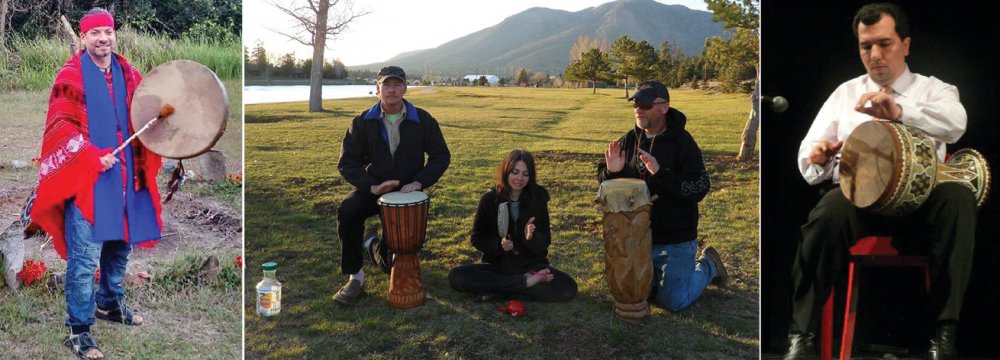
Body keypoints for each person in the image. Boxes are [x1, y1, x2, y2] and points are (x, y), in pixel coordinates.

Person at [784, 4, 975, 360]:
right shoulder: (845, 93)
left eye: (884, 44)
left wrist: (900, 111)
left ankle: (942, 334)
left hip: (922, 205)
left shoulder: (934, 90)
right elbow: (807, 157)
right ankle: (802, 334)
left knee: (958, 198)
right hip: (863, 203)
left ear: (906, 44)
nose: (874, 55)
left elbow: (956, 124)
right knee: (828, 211)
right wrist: (820, 157)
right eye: (865, 46)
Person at [29, 8, 162, 360]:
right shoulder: (70, 77)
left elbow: (148, 112)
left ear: (114, 34)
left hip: (126, 175)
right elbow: (60, 128)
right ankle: (79, 329)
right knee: (85, 260)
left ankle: (109, 304)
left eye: (107, 31)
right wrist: (89, 155)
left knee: (120, 247)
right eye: (94, 33)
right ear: (83, 37)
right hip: (89, 180)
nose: (102, 38)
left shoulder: (128, 71)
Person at [596, 80, 728, 312]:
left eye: (645, 104)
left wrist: (661, 173)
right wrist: (612, 172)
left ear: (664, 107)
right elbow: (606, 180)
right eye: (636, 103)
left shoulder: (683, 143)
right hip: (637, 237)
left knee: (671, 302)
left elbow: (699, 187)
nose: (638, 109)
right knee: (638, 292)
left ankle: (708, 265)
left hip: (675, 238)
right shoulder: (630, 139)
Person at [334, 66, 451, 305]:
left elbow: (441, 156)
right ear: (377, 89)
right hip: (374, 188)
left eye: (397, 85)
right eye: (386, 85)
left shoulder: (423, 120)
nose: (392, 90)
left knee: (389, 266)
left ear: (405, 88)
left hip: (407, 194)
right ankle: (355, 276)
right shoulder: (363, 122)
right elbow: (347, 163)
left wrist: (419, 181)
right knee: (347, 210)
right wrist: (371, 186)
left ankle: (371, 243)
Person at [448, 150, 578, 302]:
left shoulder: (538, 199)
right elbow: (477, 237)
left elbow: (545, 240)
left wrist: (530, 238)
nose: (519, 178)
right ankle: (524, 283)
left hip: (531, 266)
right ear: (506, 171)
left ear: (531, 176)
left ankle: (501, 290)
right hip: (499, 267)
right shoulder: (490, 200)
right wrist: (499, 245)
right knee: (457, 276)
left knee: (568, 288)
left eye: (525, 174)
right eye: (515, 172)